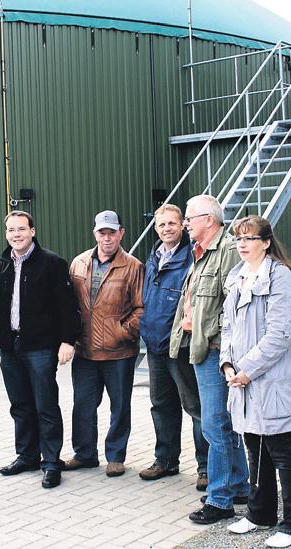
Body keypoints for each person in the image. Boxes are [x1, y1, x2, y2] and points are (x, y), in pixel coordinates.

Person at [0, 210, 81, 489]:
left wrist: (67, 340)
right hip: (10, 347)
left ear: (32, 231)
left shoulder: (51, 263)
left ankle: (51, 462)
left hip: (40, 347)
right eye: (11, 230)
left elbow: (67, 306)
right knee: (20, 405)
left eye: (21, 229)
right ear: (6, 234)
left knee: (45, 405)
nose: (16, 234)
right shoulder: (1, 266)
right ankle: (27, 455)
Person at [170, 194, 249, 525]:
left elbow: (236, 307)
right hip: (203, 349)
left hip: (216, 352)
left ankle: (220, 500)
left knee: (215, 426)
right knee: (222, 425)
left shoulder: (228, 251)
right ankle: (240, 486)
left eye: (189, 218)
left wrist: (214, 339)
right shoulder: (201, 253)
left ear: (209, 220)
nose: (185, 224)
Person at [222, 216, 291, 549]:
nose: (243, 244)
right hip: (242, 380)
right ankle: (259, 513)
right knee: (255, 450)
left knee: (283, 453)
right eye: (238, 239)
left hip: (272, 379)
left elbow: (280, 334)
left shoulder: (280, 276)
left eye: (249, 238)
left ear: (266, 241)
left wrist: (247, 368)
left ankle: (290, 524)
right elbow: (227, 327)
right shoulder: (236, 276)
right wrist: (226, 363)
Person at [64, 210, 144, 478]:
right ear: (94, 233)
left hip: (119, 351)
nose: (107, 237)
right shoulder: (78, 263)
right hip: (85, 350)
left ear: (121, 233)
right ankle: (85, 454)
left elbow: (141, 308)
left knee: (119, 406)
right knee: (83, 404)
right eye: (102, 232)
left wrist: (122, 331)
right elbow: (69, 305)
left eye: (112, 232)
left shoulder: (133, 266)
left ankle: (116, 456)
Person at [139, 204, 208, 491]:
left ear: (183, 225)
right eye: (161, 225)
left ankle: (205, 467)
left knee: (194, 406)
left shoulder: (191, 255)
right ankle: (166, 460)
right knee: (162, 404)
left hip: (180, 345)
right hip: (155, 344)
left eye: (172, 223)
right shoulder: (154, 256)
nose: (166, 228)